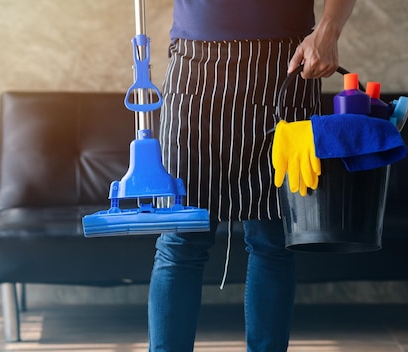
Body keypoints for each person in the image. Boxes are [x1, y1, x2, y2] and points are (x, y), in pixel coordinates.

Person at [149, 1, 357, 351]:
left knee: (273, 239)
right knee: (180, 239)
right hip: (196, 66)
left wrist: (328, 30)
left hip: (286, 66)